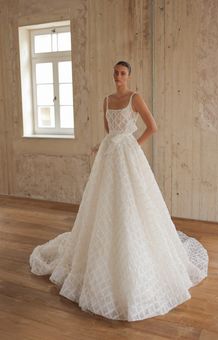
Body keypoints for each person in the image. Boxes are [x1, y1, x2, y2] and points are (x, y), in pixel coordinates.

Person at [29, 60, 208, 322]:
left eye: (122, 73)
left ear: (129, 76)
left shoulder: (135, 98)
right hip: (108, 154)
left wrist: (133, 144)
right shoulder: (106, 99)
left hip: (127, 153)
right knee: (103, 201)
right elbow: (108, 130)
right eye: (115, 72)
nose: (118, 76)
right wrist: (106, 146)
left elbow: (152, 126)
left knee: (131, 201)